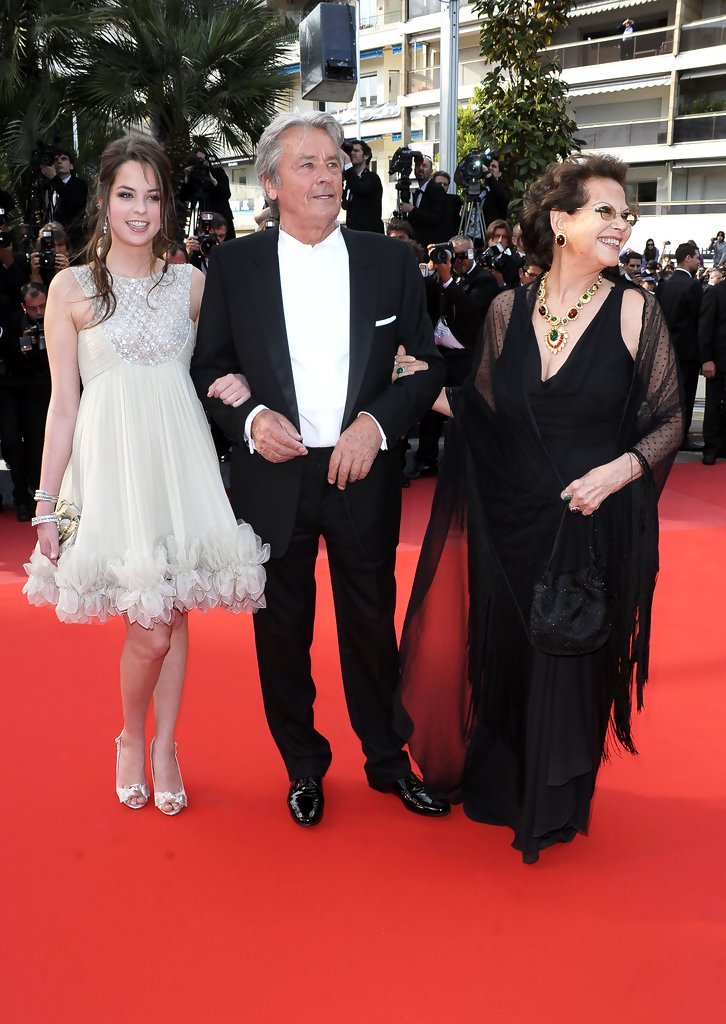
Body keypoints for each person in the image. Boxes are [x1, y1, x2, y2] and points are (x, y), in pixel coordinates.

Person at [397, 153, 682, 863]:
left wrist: (617, 473)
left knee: (570, 656)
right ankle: (503, 784)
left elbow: (670, 420)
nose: (622, 224)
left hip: (590, 521)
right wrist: (412, 381)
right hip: (513, 519)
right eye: (605, 211)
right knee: (511, 650)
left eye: (626, 214)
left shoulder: (634, 310)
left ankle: (553, 804)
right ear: (560, 221)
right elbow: (484, 410)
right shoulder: (506, 310)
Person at [190, 110, 448, 828]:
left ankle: (388, 760)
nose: (327, 176)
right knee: (282, 631)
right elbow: (209, 369)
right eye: (307, 165)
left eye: (333, 163)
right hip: (273, 476)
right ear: (272, 183)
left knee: (371, 622)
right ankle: (303, 765)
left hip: (363, 470)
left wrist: (376, 424)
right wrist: (251, 420)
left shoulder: (389, 260)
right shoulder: (234, 266)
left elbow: (426, 366)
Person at [23, 135, 268, 816]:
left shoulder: (190, 285)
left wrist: (244, 384)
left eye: (153, 196)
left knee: (174, 610)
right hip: (114, 472)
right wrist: (46, 503)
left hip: (179, 465)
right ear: (104, 200)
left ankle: (165, 747)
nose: (140, 209)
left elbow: (229, 361)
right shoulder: (71, 288)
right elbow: (63, 405)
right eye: (127, 194)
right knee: (151, 626)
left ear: (167, 206)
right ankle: (131, 736)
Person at [0, 283, 51, 521]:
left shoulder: (56, 320)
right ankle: (20, 494)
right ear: (23, 306)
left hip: (38, 389)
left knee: (36, 443)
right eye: (33, 308)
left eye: (43, 306)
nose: (39, 312)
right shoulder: (12, 322)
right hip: (11, 389)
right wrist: (20, 349)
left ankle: (33, 495)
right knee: (11, 442)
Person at [655, 241, 703, 449]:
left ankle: (664, 436)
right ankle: (681, 437)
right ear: (687, 258)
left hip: (666, 350)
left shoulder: (663, 285)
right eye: (697, 257)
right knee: (686, 395)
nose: (699, 261)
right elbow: (699, 319)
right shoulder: (692, 285)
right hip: (687, 352)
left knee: (668, 397)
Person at [698, 273, 726, 464]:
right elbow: (705, 327)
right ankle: (712, 448)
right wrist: (706, 359)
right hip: (718, 360)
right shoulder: (715, 292)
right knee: (714, 404)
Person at [39, 148, 88, 253]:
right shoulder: (49, 187)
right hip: (51, 242)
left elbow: (72, 201)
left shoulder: (79, 184)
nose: (59, 162)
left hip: (73, 242)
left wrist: (54, 178)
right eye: (56, 160)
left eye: (64, 159)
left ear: (71, 166)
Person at [398, 155, 449, 248]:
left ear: (431, 171)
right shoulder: (418, 192)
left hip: (431, 245)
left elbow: (435, 218)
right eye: (418, 165)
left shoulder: (436, 189)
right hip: (418, 244)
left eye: (424, 166)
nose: (420, 168)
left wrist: (412, 209)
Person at [342, 140, 384, 234]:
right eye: (351, 151)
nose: (352, 153)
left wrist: (347, 162)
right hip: (354, 232)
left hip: (370, 234)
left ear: (366, 156)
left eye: (356, 151)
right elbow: (346, 204)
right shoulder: (351, 180)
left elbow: (359, 189)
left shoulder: (372, 177)